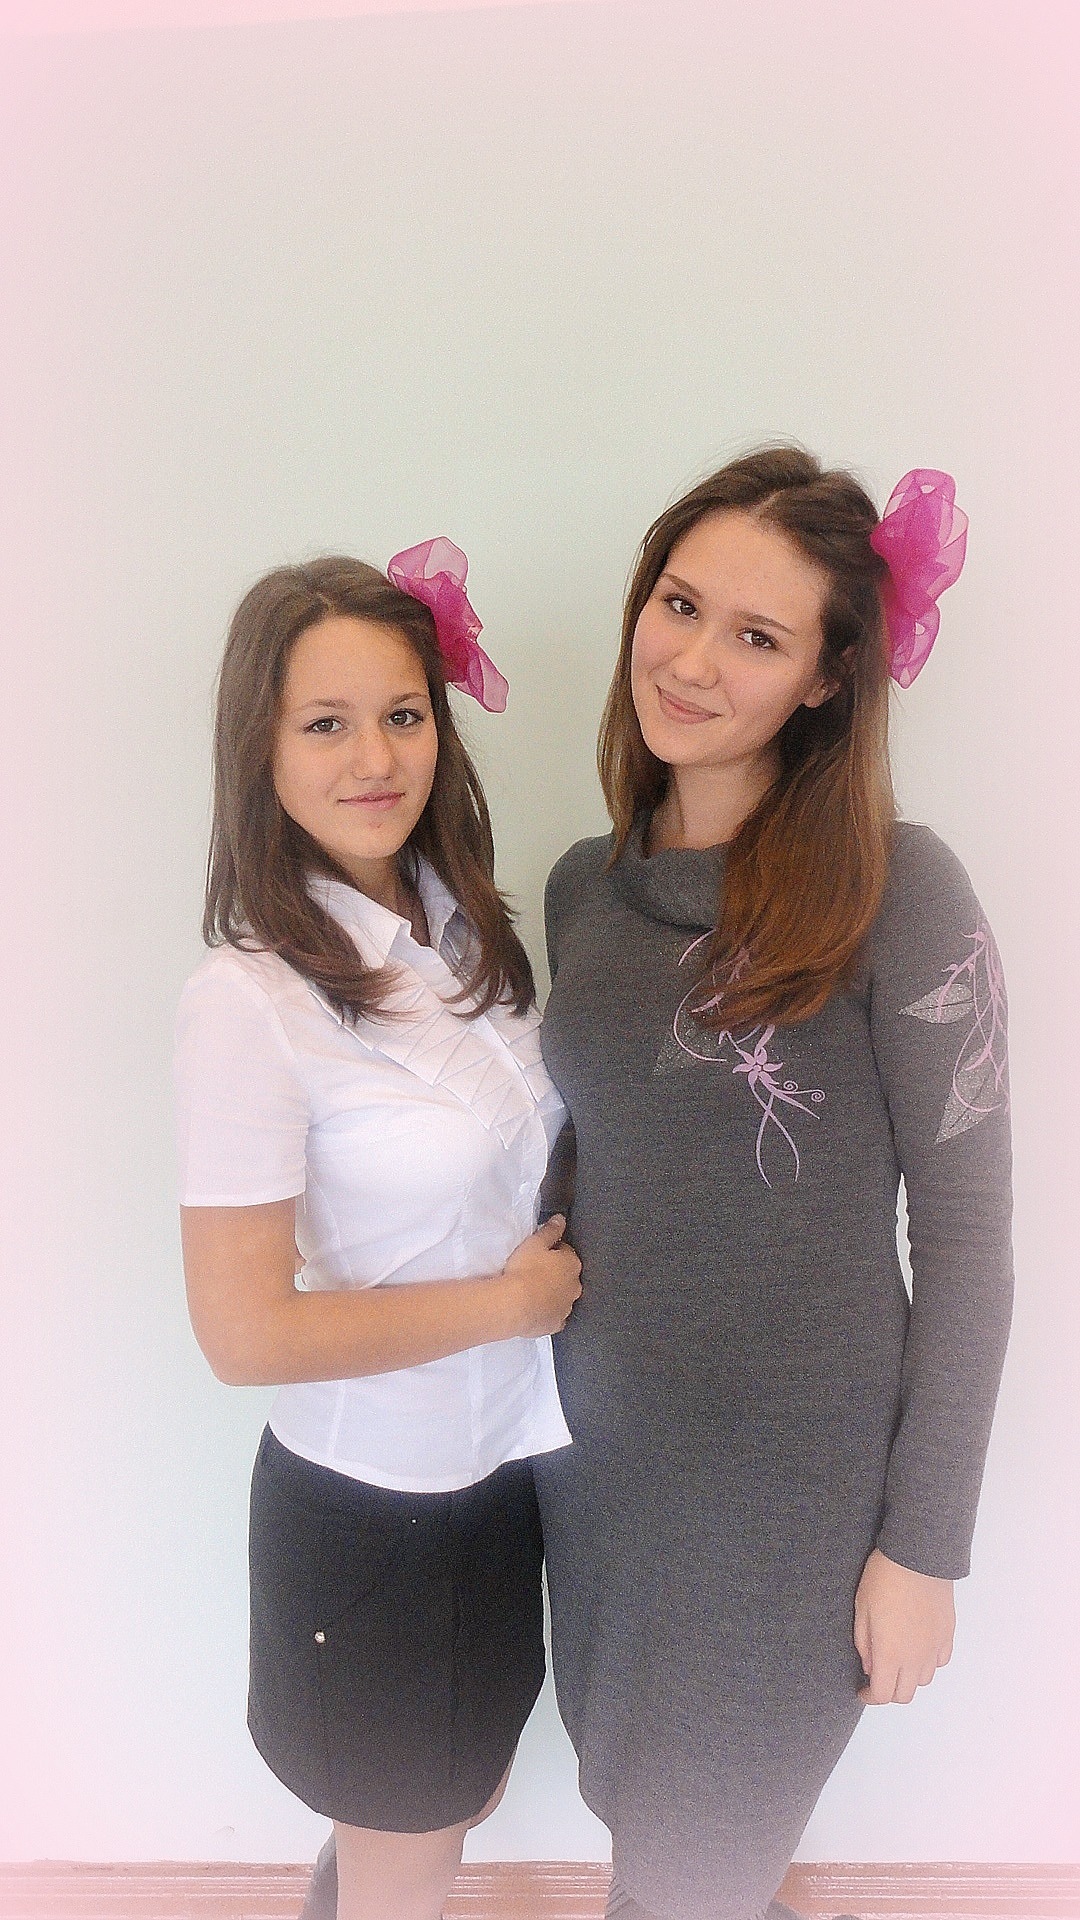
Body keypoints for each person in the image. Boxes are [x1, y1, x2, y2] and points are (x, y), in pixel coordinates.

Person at [535, 450, 1013, 1920]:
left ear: (824, 679)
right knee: (645, 1824)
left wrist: (923, 1547)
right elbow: (591, 1155)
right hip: (595, 1472)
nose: (692, 661)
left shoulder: (897, 885)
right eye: (680, 606)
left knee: (693, 1870)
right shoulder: (583, 887)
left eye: (757, 636)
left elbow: (967, 1234)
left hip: (788, 1501)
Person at [174, 542, 582, 1920]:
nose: (375, 758)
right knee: (411, 1849)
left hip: (507, 1469)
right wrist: (508, 1306)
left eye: (403, 714)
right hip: (373, 1509)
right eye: (325, 723)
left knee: (454, 1800)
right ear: (261, 748)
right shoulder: (247, 1001)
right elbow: (243, 1335)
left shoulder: (467, 937)